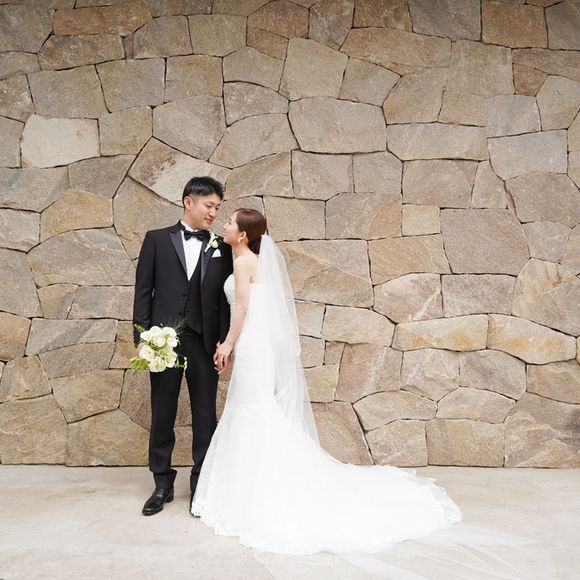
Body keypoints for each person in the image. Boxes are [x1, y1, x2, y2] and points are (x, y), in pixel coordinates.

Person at [191, 208, 462, 555]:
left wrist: (228, 344)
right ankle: (255, 483)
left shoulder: (244, 262)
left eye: (230, 222)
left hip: (251, 345)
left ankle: (259, 489)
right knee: (253, 408)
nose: (224, 224)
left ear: (242, 235)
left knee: (251, 408)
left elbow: (242, 308)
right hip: (256, 345)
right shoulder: (252, 260)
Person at [133, 176, 233, 516]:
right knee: (162, 411)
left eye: (217, 207)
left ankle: (201, 485)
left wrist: (224, 343)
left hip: (204, 341)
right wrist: (142, 338)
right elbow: (143, 292)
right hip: (163, 341)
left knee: (205, 414)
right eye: (209, 205)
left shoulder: (221, 246)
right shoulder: (156, 240)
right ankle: (162, 483)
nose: (213, 213)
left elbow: (225, 299)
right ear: (188, 201)